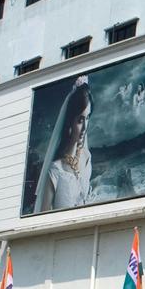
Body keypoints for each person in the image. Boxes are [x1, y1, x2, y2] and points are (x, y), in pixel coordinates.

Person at [33, 76, 93, 213]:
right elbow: (44, 218)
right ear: (69, 122)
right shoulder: (56, 170)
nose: (85, 128)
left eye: (87, 118)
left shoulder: (87, 157)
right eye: (80, 120)